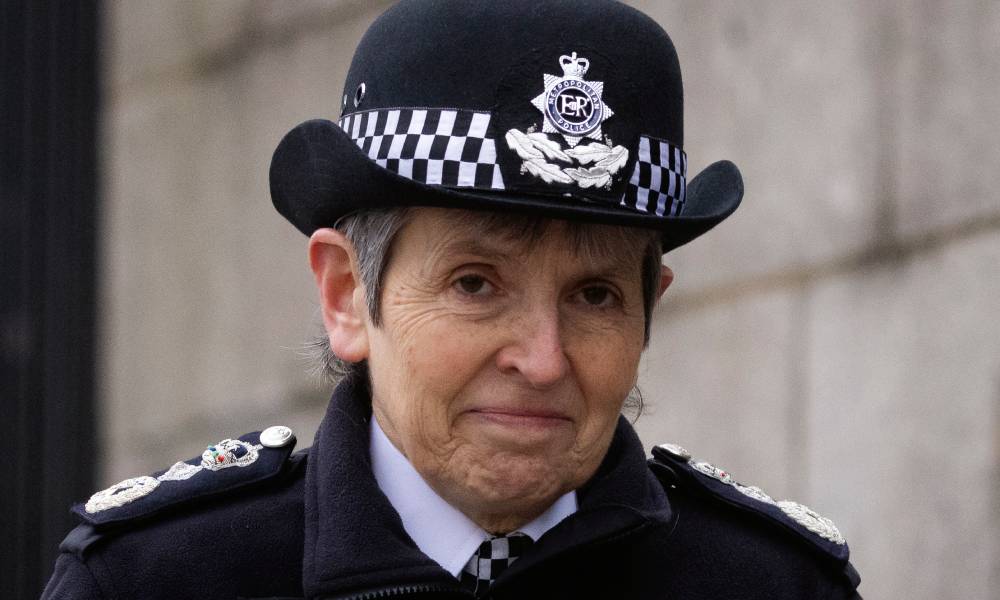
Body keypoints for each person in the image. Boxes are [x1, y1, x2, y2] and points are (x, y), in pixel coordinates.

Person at [42, 1, 862, 598]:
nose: (541, 359)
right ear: (347, 297)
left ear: (651, 311)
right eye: (475, 284)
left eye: (595, 294)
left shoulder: (776, 585)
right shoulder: (155, 581)